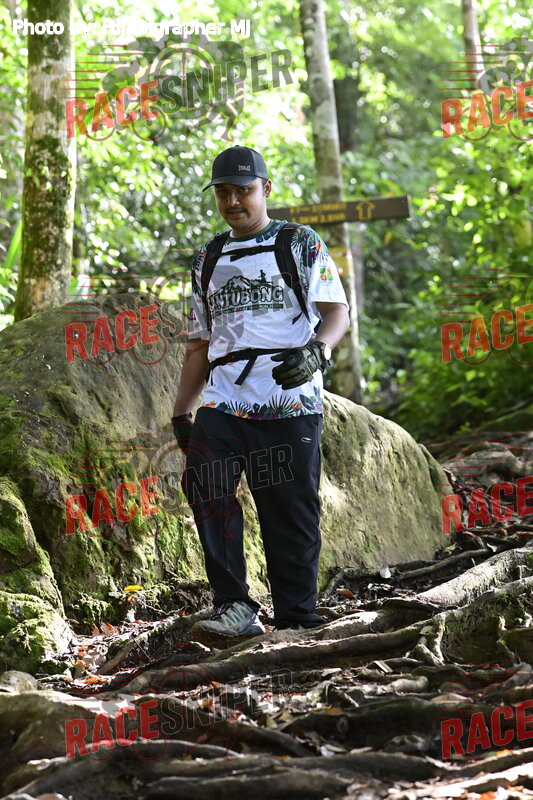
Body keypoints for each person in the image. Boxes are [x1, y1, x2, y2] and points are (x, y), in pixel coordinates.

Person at [172, 145, 350, 646]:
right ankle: (234, 606)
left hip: (289, 399)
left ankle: (296, 619)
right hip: (224, 398)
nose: (233, 201)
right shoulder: (208, 258)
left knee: (288, 508)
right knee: (206, 487)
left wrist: (317, 352)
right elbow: (199, 342)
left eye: (243, 190)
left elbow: (337, 312)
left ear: (265, 189)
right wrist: (181, 411)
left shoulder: (299, 242)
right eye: (224, 193)